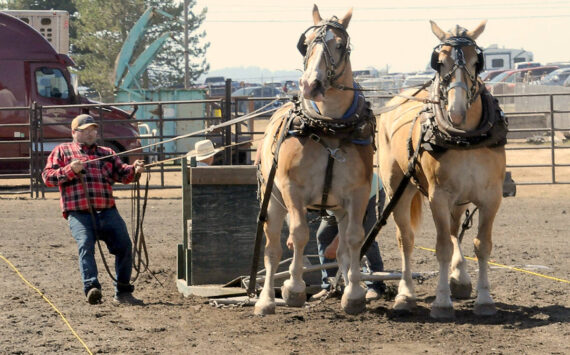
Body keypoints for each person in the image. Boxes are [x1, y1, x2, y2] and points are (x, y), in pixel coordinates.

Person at [42, 114, 145, 305]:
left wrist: (134, 170)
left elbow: (122, 174)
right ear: (74, 132)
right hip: (78, 213)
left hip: (107, 210)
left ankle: (123, 291)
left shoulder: (106, 152)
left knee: (124, 245)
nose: (91, 134)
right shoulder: (62, 151)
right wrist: (70, 170)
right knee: (85, 244)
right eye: (86, 130)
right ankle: (92, 288)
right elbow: (47, 177)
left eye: (93, 130)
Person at [310, 172, 386, 302]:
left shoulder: (347, 179)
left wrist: (336, 243)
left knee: (364, 239)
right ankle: (330, 284)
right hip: (336, 207)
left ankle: (374, 285)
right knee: (324, 235)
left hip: (368, 197)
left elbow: (355, 224)